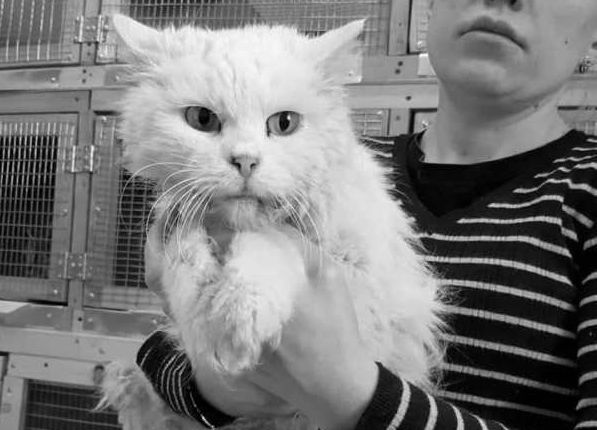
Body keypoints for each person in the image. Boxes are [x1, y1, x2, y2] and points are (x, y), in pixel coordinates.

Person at [135, 0, 597, 428]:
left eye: (282, 124)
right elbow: (161, 352)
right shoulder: (329, 158)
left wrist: (348, 392)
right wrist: (215, 387)